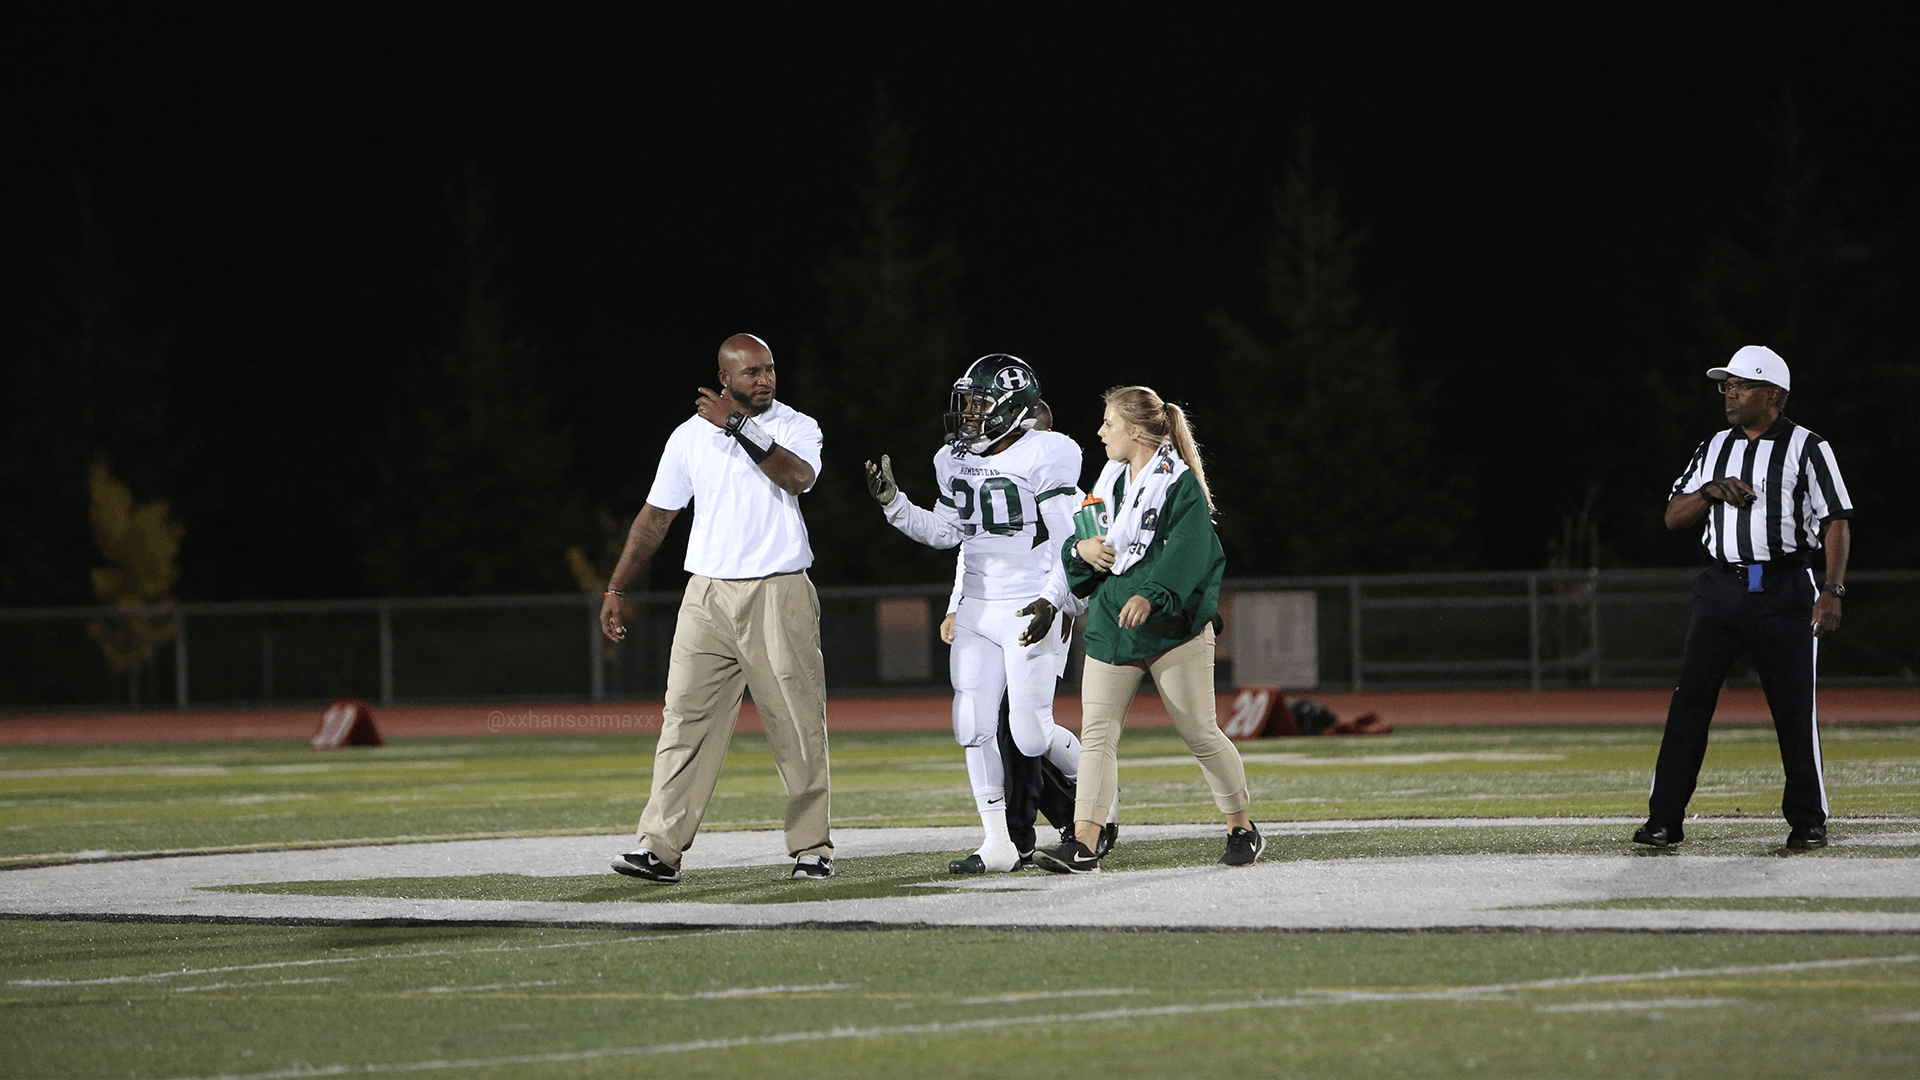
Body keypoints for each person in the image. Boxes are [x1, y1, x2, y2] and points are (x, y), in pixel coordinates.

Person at [603, 333, 835, 883]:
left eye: (770, 368)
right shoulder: (689, 436)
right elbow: (655, 518)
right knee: (684, 720)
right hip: (706, 595)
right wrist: (615, 588)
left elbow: (797, 477)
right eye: (752, 371)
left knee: (797, 723)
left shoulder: (795, 426)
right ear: (724, 378)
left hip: (778, 589)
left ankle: (812, 847)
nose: (765, 379)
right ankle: (660, 849)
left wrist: (738, 425)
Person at [865, 355, 1087, 873]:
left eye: (980, 402)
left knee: (1031, 734)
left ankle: (1099, 799)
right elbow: (949, 534)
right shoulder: (952, 459)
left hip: (1030, 599)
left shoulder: (1049, 452)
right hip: (977, 605)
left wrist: (1058, 600)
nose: (968, 412)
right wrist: (896, 505)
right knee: (972, 724)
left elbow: (1069, 540)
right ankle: (998, 842)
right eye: (966, 402)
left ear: (1013, 408)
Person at [1033, 385, 1259, 873]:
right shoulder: (1109, 480)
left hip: (1172, 629)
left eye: (1109, 423)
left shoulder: (1178, 484)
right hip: (1112, 625)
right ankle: (1085, 842)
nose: (1101, 432)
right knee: (1097, 735)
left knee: (1200, 733)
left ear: (1135, 430)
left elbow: (1192, 551)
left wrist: (1152, 594)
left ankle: (1241, 827)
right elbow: (1084, 539)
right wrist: (1081, 550)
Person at [1636, 345, 1852, 852]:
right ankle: (1664, 820)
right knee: (1688, 704)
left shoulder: (1808, 447)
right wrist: (1709, 492)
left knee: (1794, 709)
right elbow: (1672, 516)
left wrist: (1832, 589)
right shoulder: (1714, 446)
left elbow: (1836, 520)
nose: (1730, 394)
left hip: (1784, 587)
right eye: (1727, 386)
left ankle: (1808, 820)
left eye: (1741, 385)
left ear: (1772, 394)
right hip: (1722, 588)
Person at [934, 400, 1117, 868]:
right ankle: (1021, 834)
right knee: (994, 728)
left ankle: (1074, 813)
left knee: (1025, 733)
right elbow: (972, 548)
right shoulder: (994, 482)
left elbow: (1080, 557)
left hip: (1039, 612)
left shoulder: (1067, 493)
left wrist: (1065, 608)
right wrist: (957, 605)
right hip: (991, 612)